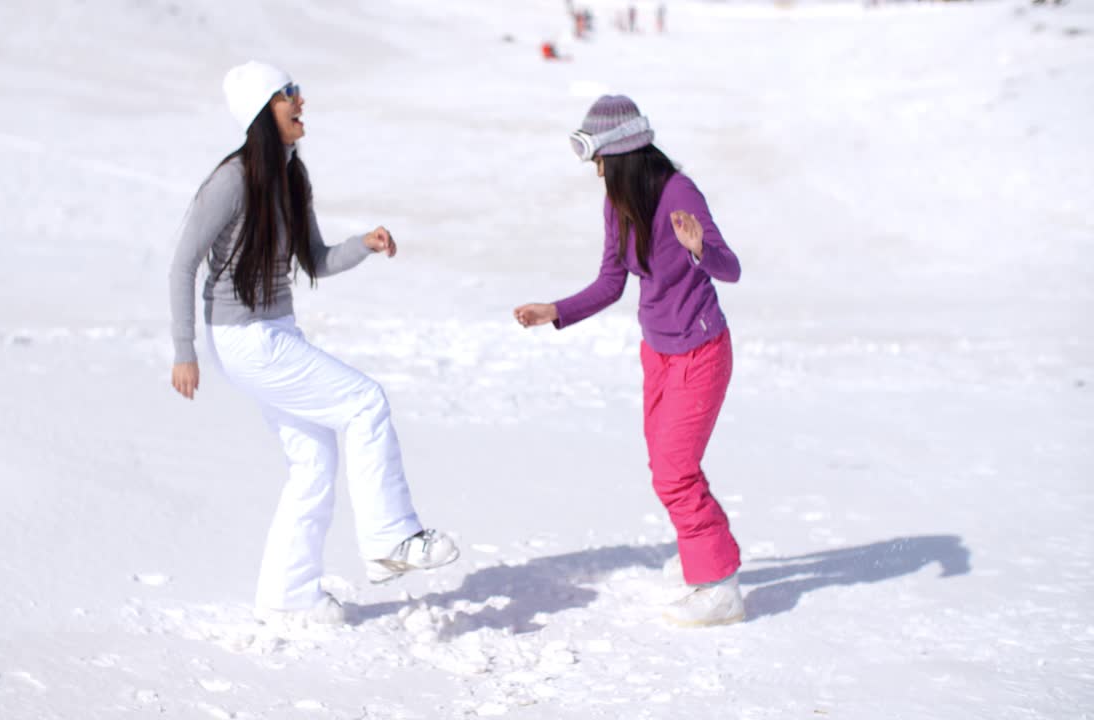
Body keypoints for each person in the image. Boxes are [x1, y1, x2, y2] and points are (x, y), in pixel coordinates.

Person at [168, 61, 459, 626]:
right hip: (244, 338)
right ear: (261, 111)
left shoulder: (290, 176)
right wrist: (185, 351)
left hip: (274, 333)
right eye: (288, 94)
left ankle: (289, 596)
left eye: (297, 91)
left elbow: (316, 260)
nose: (301, 101)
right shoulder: (232, 180)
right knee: (364, 402)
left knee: (313, 463)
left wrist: (365, 244)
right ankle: (392, 538)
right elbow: (181, 265)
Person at [513, 95, 744, 627]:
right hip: (658, 353)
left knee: (675, 472)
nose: (596, 173)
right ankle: (700, 557)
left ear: (622, 156)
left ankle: (719, 583)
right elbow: (611, 283)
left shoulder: (681, 194)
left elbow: (730, 268)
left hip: (702, 351)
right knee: (665, 467)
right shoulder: (621, 201)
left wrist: (698, 248)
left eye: (598, 161)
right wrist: (556, 311)